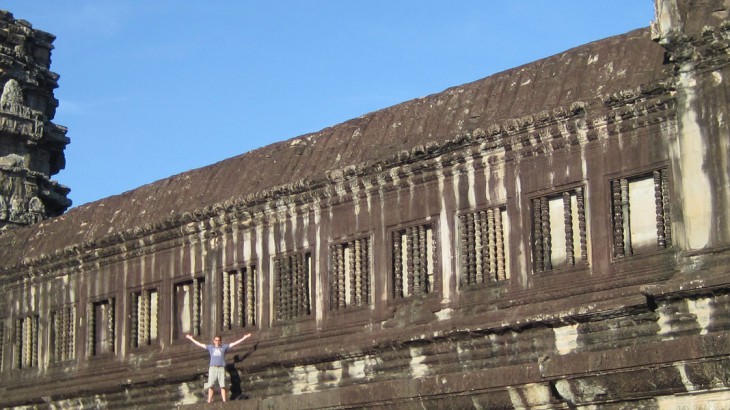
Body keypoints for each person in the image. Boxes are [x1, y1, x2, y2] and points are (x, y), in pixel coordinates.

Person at [186, 333, 252, 403]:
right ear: (214, 341)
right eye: (216, 340)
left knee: (222, 386)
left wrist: (244, 337)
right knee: (211, 385)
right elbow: (200, 344)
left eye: (218, 340)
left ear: (220, 341)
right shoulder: (210, 347)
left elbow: (234, 343)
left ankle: (224, 401)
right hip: (213, 368)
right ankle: (209, 401)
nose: (217, 341)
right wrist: (191, 338)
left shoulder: (224, 347)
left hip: (221, 368)